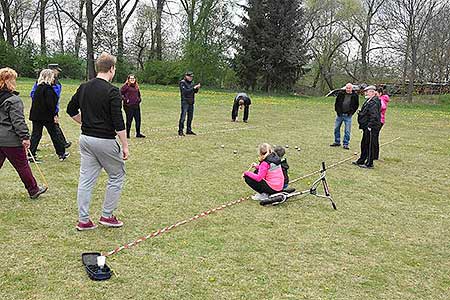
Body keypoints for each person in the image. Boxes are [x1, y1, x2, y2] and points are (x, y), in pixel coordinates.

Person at [67, 52, 129, 231]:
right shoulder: (112, 91)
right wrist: (125, 145)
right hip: (104, 140)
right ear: (111, 69)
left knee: (86, 179)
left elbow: (71, 110)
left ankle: (83, 220)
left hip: (86, 140)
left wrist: (84, 122)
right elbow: (118, 121)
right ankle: (107, 216)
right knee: (117, 175)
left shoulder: (84, 86)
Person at [0, 67, 47, 199]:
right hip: (10, 140)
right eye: (13, 79)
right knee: (22, 165)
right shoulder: (13, 100)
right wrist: (25, 137)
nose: (15, 82)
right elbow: (18, 121)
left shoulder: (11, 99)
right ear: (7, 81)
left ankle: (33, 189)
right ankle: (33, 190)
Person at [29, 69, 69, 161]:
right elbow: (51, 105)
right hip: (47, 116)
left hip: (36, 116)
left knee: (36, 134)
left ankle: (31, 153)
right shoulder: (49, 90)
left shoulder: (38, 88)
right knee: (54, 134)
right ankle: (61, 153)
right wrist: (55, 115)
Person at [353, 85, 381, 169]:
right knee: (364, 143)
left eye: (367, 91)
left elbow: (374, 115)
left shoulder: (374, 102)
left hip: (371, 127)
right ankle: (362, 159)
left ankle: (369, 163)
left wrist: (370, 126)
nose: (366, 93)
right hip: (366, 126)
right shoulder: (368, 100)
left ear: (372, 92)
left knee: (370, 145)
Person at [330, 83, 359, 149]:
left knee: (347, 130)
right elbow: (336, 103)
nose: (348, 89)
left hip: (348, 116)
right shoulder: (341, 94)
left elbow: (356, 105)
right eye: (347, 88)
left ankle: (346, 143)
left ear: (352, 88)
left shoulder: (355, 96)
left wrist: (351, 113)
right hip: (340, 115)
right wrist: (338, 111)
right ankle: (337, 142)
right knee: (336, 128)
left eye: (349, 88)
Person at [121, 74, 145, 139]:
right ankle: (127, 134)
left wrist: (139, 99)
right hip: (128, 106)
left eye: (133, 79)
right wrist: (126, 99)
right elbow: (120, 94)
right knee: (129, 120)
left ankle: (138, 133)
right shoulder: (125, 86)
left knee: (138, 119)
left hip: (136, 105)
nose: (132, 80)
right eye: (131, 79)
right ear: (128, 79)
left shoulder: (136, 87)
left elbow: (139, 94)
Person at [178, 71, 201, 136]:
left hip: (191, 101)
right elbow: (185, 92)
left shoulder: (192, 83)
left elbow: (194, 92)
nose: (191, 78)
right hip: (185, 102)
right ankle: (180, 130)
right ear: (186, 76)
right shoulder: (182, 83)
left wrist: (197, 88)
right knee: (183, 117)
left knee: (190, 117)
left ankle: (189, 130)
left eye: (191, 77)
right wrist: (193, 88)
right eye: (189, 76)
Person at [374, 87, 390, 160]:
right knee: (375, 137)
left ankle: (374, 155)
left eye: (376, 94)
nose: (375, 95)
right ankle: (375, 155)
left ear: (380, 93)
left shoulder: (381, 99)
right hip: (380, 120)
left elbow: (382, 107)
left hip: (379, 120)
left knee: (374, 138)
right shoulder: (382, 98)